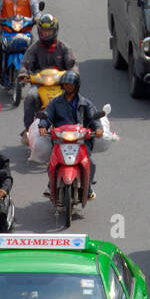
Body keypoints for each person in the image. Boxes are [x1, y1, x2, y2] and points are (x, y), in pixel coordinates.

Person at [38, 69, 103, 201]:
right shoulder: (55, 103)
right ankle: (51, 186)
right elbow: (46, 114)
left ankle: (88, 186)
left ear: (76, 86)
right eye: (66, 84)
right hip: (60, 140)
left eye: (71, 84)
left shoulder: (85, 103)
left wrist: (98, 129)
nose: (68, 86)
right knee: (53, 162)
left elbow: (94, 118)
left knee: (91, 162)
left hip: (80, 140)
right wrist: (43, 126)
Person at [18, 12, 77, 140]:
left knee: (75, 98)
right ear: (39, 32)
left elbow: (72, 65)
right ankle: (28, 128)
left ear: (55, 31)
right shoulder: (35, 47)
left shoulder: (64, 47)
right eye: (44, 31)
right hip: (39, 84)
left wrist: (73, 74)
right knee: (30, 97)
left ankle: (78, 123)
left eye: (50, 31)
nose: (47, 34)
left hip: (60, 83)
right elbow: (25, 63)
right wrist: (23, 73)